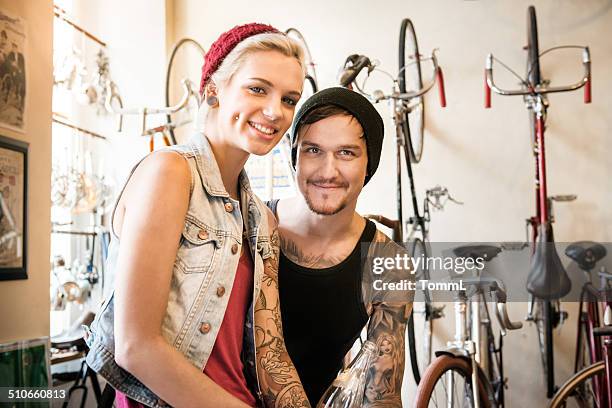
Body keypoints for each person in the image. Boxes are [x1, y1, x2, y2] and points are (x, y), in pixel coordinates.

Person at [85, 23, 311, 408]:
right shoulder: (170, 174)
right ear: (212, 90)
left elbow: (269, 352)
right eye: (258, 89)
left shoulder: (260, 217)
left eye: (290, 99)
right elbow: (135, 347)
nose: (275, 111)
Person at [266, 87, 414, 407]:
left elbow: (382, 395)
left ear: (368, 164)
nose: (328, 171)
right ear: (294, 156)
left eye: (346, 153)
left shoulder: (387, 263)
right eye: (313, 150)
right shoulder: (252, 225)